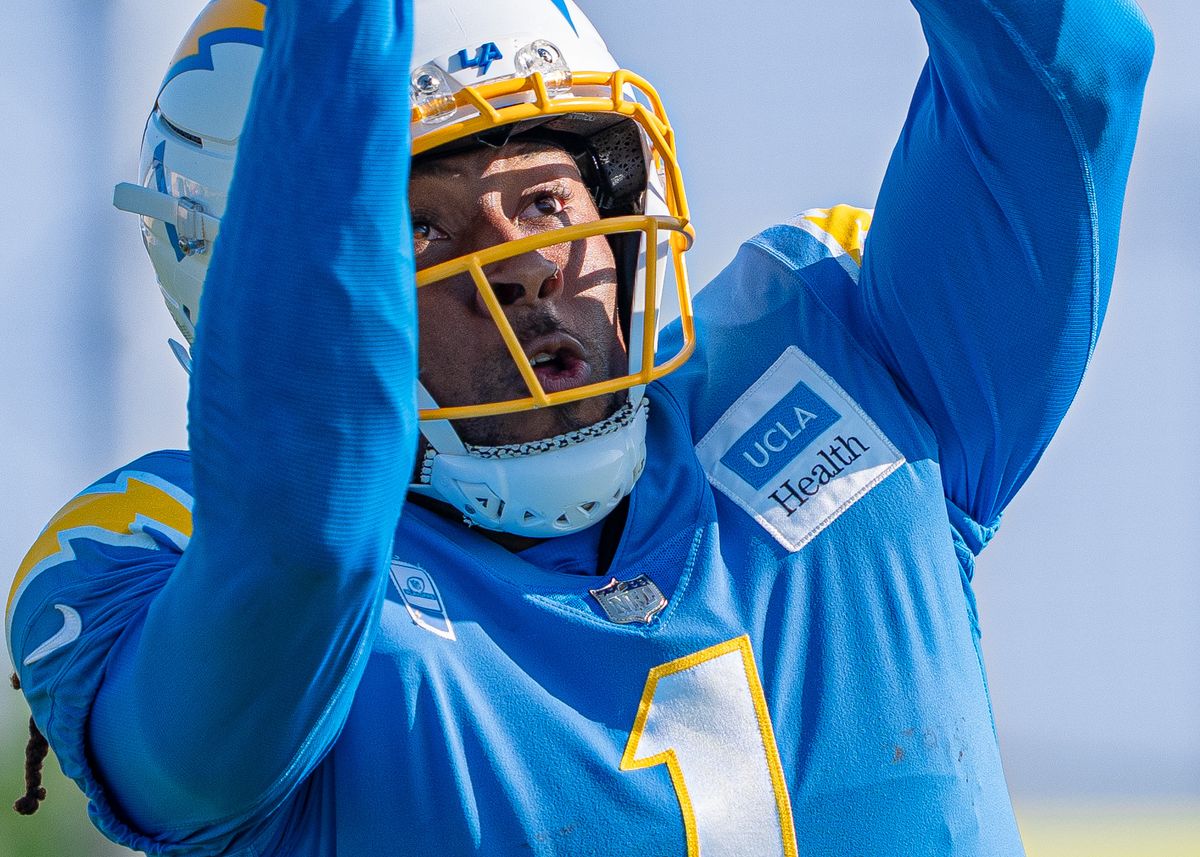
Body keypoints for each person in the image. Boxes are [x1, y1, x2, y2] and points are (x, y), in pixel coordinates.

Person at [6, 0, 1153, 853]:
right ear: (257, 288)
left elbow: (1075, 68)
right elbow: (302, 532)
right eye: (418, 232)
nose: (525, 269)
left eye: (548, 197)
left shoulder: (848, 360)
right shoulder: (156, 559)